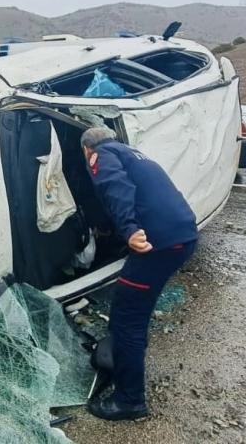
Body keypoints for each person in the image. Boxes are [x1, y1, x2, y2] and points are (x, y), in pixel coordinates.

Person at [80, 126, 198, 421]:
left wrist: (130, 229)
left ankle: (129, 400)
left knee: (126, 317)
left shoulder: (101, 155)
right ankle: (123, 362)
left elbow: (116, 187)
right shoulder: (134, 153)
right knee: (137, 309)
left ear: (86, 149)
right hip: (182, 236)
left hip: (157, 245)